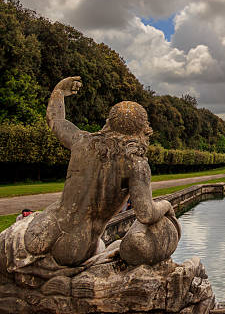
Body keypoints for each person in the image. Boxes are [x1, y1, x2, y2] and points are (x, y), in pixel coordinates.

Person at [17, 76, 176, 267]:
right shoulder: (135, 163)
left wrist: (59, 92)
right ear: (144, 129)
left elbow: (56, 121)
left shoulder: (82, 142)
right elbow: (146, 214)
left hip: (42, 229)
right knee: (120, 246)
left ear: (108, 122)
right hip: (75, 246)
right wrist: (166, 205)